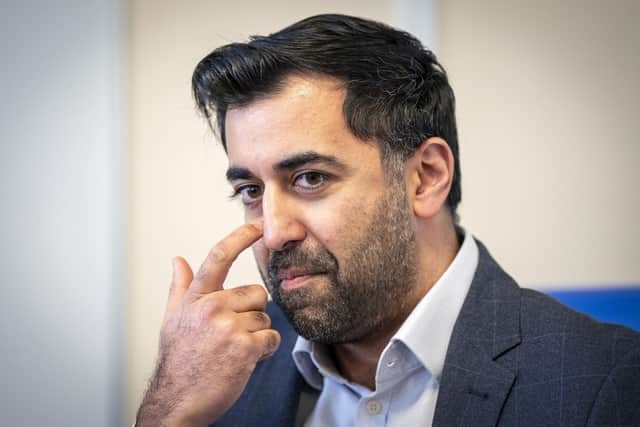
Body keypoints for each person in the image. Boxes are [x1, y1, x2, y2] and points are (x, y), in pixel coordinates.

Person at [135, 14, 640, 427]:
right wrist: (168, 411)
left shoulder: (606, 381)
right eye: (250, 190)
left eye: (310, 178)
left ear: (424, 177)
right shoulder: (223, 377)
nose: (272, 231)